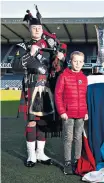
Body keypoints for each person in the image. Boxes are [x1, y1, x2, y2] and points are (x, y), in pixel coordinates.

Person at [13, 12, 67, 167]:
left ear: (42, 29)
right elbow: (15, 66)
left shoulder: (50, 45)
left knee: (43, 122)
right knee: (31, 122)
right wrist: (29, 54)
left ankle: (40, 153)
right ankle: (31, 155)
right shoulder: (23, 46)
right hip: (31, 86)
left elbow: (58, 64)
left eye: (39, 27)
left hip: (47, 88)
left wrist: (61, 57)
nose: (36, 30)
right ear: (29, 29)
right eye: (34, 28)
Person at [55, 51, 88, 175]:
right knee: (68, 138)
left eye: (80, 61)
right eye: (75, 61)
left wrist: (86, 111)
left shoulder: (84, 78)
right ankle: (67, 163)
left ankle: (77, 160)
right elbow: (58, 95)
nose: (78, 64)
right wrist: (62, 111)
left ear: (83, 63)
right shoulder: (63, 76)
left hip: (81, 114)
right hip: (68, 114)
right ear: (70, 62)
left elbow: (86, 97)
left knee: (78, 138)